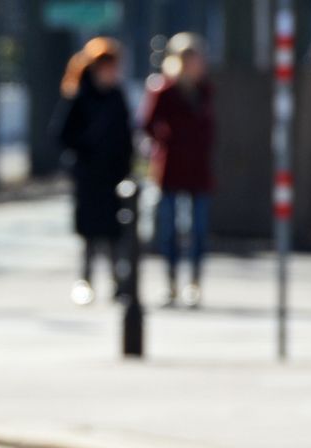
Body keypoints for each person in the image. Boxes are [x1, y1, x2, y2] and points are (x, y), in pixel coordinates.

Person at [51, 37, 134, 307]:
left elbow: (126, 136)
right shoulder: (79, 96)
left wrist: (127, 167)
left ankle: (117, 281)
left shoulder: (117, 96)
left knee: (114, 232)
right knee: (89, 233)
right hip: (88, 175)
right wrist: (85, 148)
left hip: (113, 176)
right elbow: (61, 134)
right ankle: (85, 280)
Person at [142, 32, 216, 308]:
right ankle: (171, 281)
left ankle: (194, 282)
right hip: (171, 168)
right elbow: (148, 123)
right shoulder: (165, 90)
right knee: (169, 229)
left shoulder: (204, 90)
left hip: (198, 169)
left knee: (198, 229)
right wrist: (167, 141)